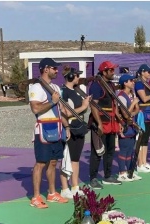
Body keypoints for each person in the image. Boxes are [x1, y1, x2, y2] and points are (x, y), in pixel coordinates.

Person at [28, 57, 71, 208]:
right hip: (43, 130)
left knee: (53, 162)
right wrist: (52, 101)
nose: (56, 70)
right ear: (45, 69)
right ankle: (36, 197)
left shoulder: (56, 88)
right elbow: (35, 109)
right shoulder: (36, 88)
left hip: (57, 128)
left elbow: (61, 110)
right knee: (40, 163)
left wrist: (67, 127)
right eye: (54, 68)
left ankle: (52, 193)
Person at [88, 61, 122, 189]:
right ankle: (93, 178)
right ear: (104, 71)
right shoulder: (96, 85)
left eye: (114, 70)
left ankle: (107, 176)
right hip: (101, 123)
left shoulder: (110, 85)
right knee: (97, 151)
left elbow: (114, 104)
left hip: (112, 122)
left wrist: (119, 120)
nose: (114, 72)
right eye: (111, 70)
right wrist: (99, 124)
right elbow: (93, 105)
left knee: (110, 150)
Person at [59, 65, 91, 199]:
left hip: (79, 126)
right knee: (66, 158)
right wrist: (84, 106)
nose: (79, 78)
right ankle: (64, 188)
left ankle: (75, 186)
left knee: (75, 159)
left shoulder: (76, 90)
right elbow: (65, 112)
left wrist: (85, 105)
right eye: (77, 75)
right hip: (70, 126)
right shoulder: (63, 91)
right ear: (71, 77)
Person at [116, 74, 142, 181]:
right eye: (131, 80)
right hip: (124, 126)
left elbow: (136, 110)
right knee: (124, 150)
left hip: (132, 126)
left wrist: (134, 106)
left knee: (130, 150)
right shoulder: (121, 96)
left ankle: (130, 171)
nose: (133, 82)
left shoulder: (131, 95)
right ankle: (122, 172)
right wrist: (133, 104)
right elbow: (126, 114)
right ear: (125, 83)